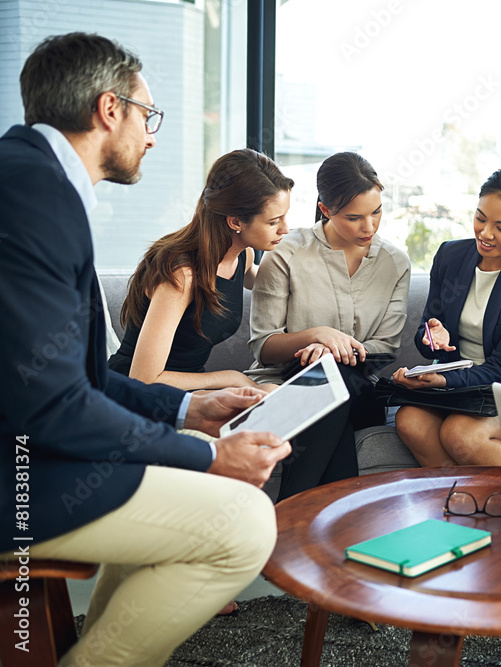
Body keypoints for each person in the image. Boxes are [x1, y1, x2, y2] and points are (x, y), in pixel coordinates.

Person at [0, 32, 291, 666]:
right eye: (147, 114)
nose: (151, 135)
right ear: (110, 110)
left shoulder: (31, 179)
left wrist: (187, 414)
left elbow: (76, 379)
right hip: (16, 479)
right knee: (244, 524)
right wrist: (205, 453)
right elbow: (55, 404)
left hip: (28, 449)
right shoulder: (35, 196)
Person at [248, 151, 410, 500]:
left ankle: (289, 508)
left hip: (360, 388)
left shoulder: (395, 263)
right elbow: (263, 346)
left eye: (376, 212)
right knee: (327, 376)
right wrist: (315, 339)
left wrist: (336, 350)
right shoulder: (286, 252)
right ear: (325, 210)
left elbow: (387, 347)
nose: (369, 227)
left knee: (336, 370)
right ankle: (338, 514)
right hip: (290, 381)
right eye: (354, 218)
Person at [392, 166, 501, 467]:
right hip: (462, 383)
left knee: (460, 433)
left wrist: (443, 382)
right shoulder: (450, 256)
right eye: (480, 218)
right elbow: (426, 334)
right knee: (409, 420)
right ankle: (459, 503)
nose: (485, 234)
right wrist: (433, 338)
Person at [108, 148, 294, 390]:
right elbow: (143, 378)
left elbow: (274, 285)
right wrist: (233, 379)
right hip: (137, 395)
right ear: (235, 221)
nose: (286, 229)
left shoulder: (243, 258)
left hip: (188, 391)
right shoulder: (182, 275)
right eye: (273, 222)